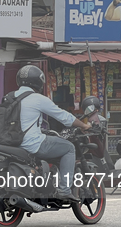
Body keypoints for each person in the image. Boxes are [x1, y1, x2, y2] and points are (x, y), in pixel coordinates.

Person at [15, 65, 91, 202]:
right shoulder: (37, 98)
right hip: (32, 144)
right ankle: (64, 190)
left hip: (13, 144)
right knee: (69, 148)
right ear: (38, 82)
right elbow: (63, 116)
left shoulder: (10, 97)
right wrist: (83, 125)